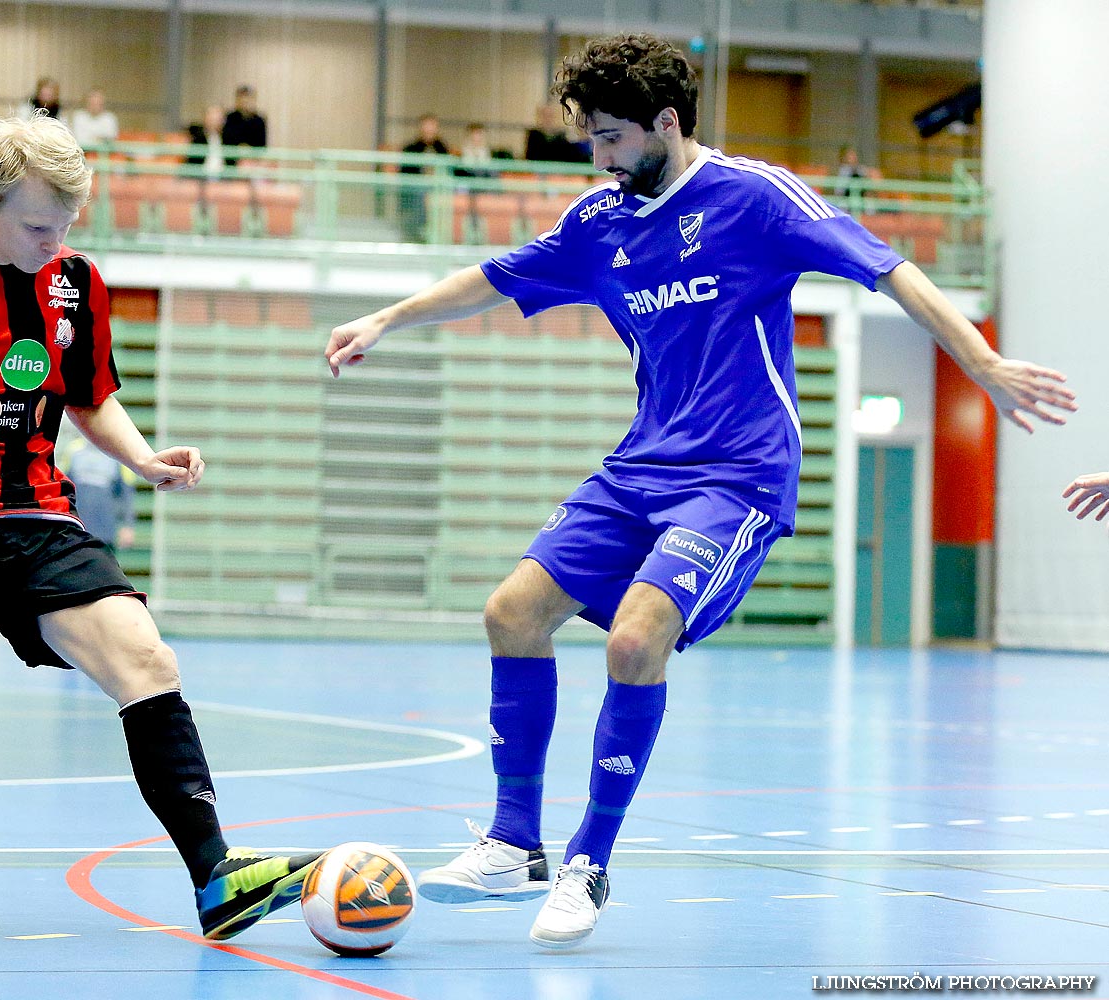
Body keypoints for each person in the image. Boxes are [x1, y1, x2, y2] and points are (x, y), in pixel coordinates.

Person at [325, 33, 1077, 950]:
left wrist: (982, 358)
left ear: (667, 124)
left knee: (639, 635)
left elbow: (888, 265)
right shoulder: (599, 219)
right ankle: (511, 842)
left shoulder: (753, 198)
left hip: (738, 474)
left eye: (608, 137)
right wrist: (386, 319)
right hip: (641, 464)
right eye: (589, 140)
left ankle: (588, 859)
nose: (596, 158)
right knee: (511, 614)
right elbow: (492, 280)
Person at [0, 109, 321, 941]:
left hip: (37, 511)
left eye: (67, 223)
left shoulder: (76, 280)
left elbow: (88, 396)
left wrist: (141, 459)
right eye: (39, 223)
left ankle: (217, 877)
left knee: (148, 657)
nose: (54, 240)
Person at [58, 427, 138, 552]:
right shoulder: (73, 451)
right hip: (76, 530)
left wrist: (128, 526)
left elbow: (126, 495)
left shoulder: (119, 455)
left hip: (105, 532)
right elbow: (62, 489)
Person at [398, 113, 450, 242]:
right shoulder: (411, 149)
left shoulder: (442, 148)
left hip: (439, 188)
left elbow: (449, 170)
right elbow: (405, 173)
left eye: (432, 127)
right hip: (416, 189)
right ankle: (418, 232)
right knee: (420, 194)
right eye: (427, 127)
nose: (429, 130)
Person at [524, 102, 588, 164]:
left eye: (551, 116)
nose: (548, 120)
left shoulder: (562, 141)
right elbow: (530, 158)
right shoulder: (534, 137)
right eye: (544, 116)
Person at [221, 85, 266, 161]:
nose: (245, 101)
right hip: (232, 160)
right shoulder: (229, 118)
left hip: (253, 161)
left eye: (248, 98)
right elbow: (226, 140)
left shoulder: (259, 121)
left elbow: (262, 145)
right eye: (242, 98)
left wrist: (250, 151)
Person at [185, 103, 227, 177]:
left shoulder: (228, 138)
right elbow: (192, 163)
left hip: (224, 180)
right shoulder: (197, 138)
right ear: (205, 119)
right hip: (201, 179)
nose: (214, 122)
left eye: (217, 119)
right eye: (211, 119)